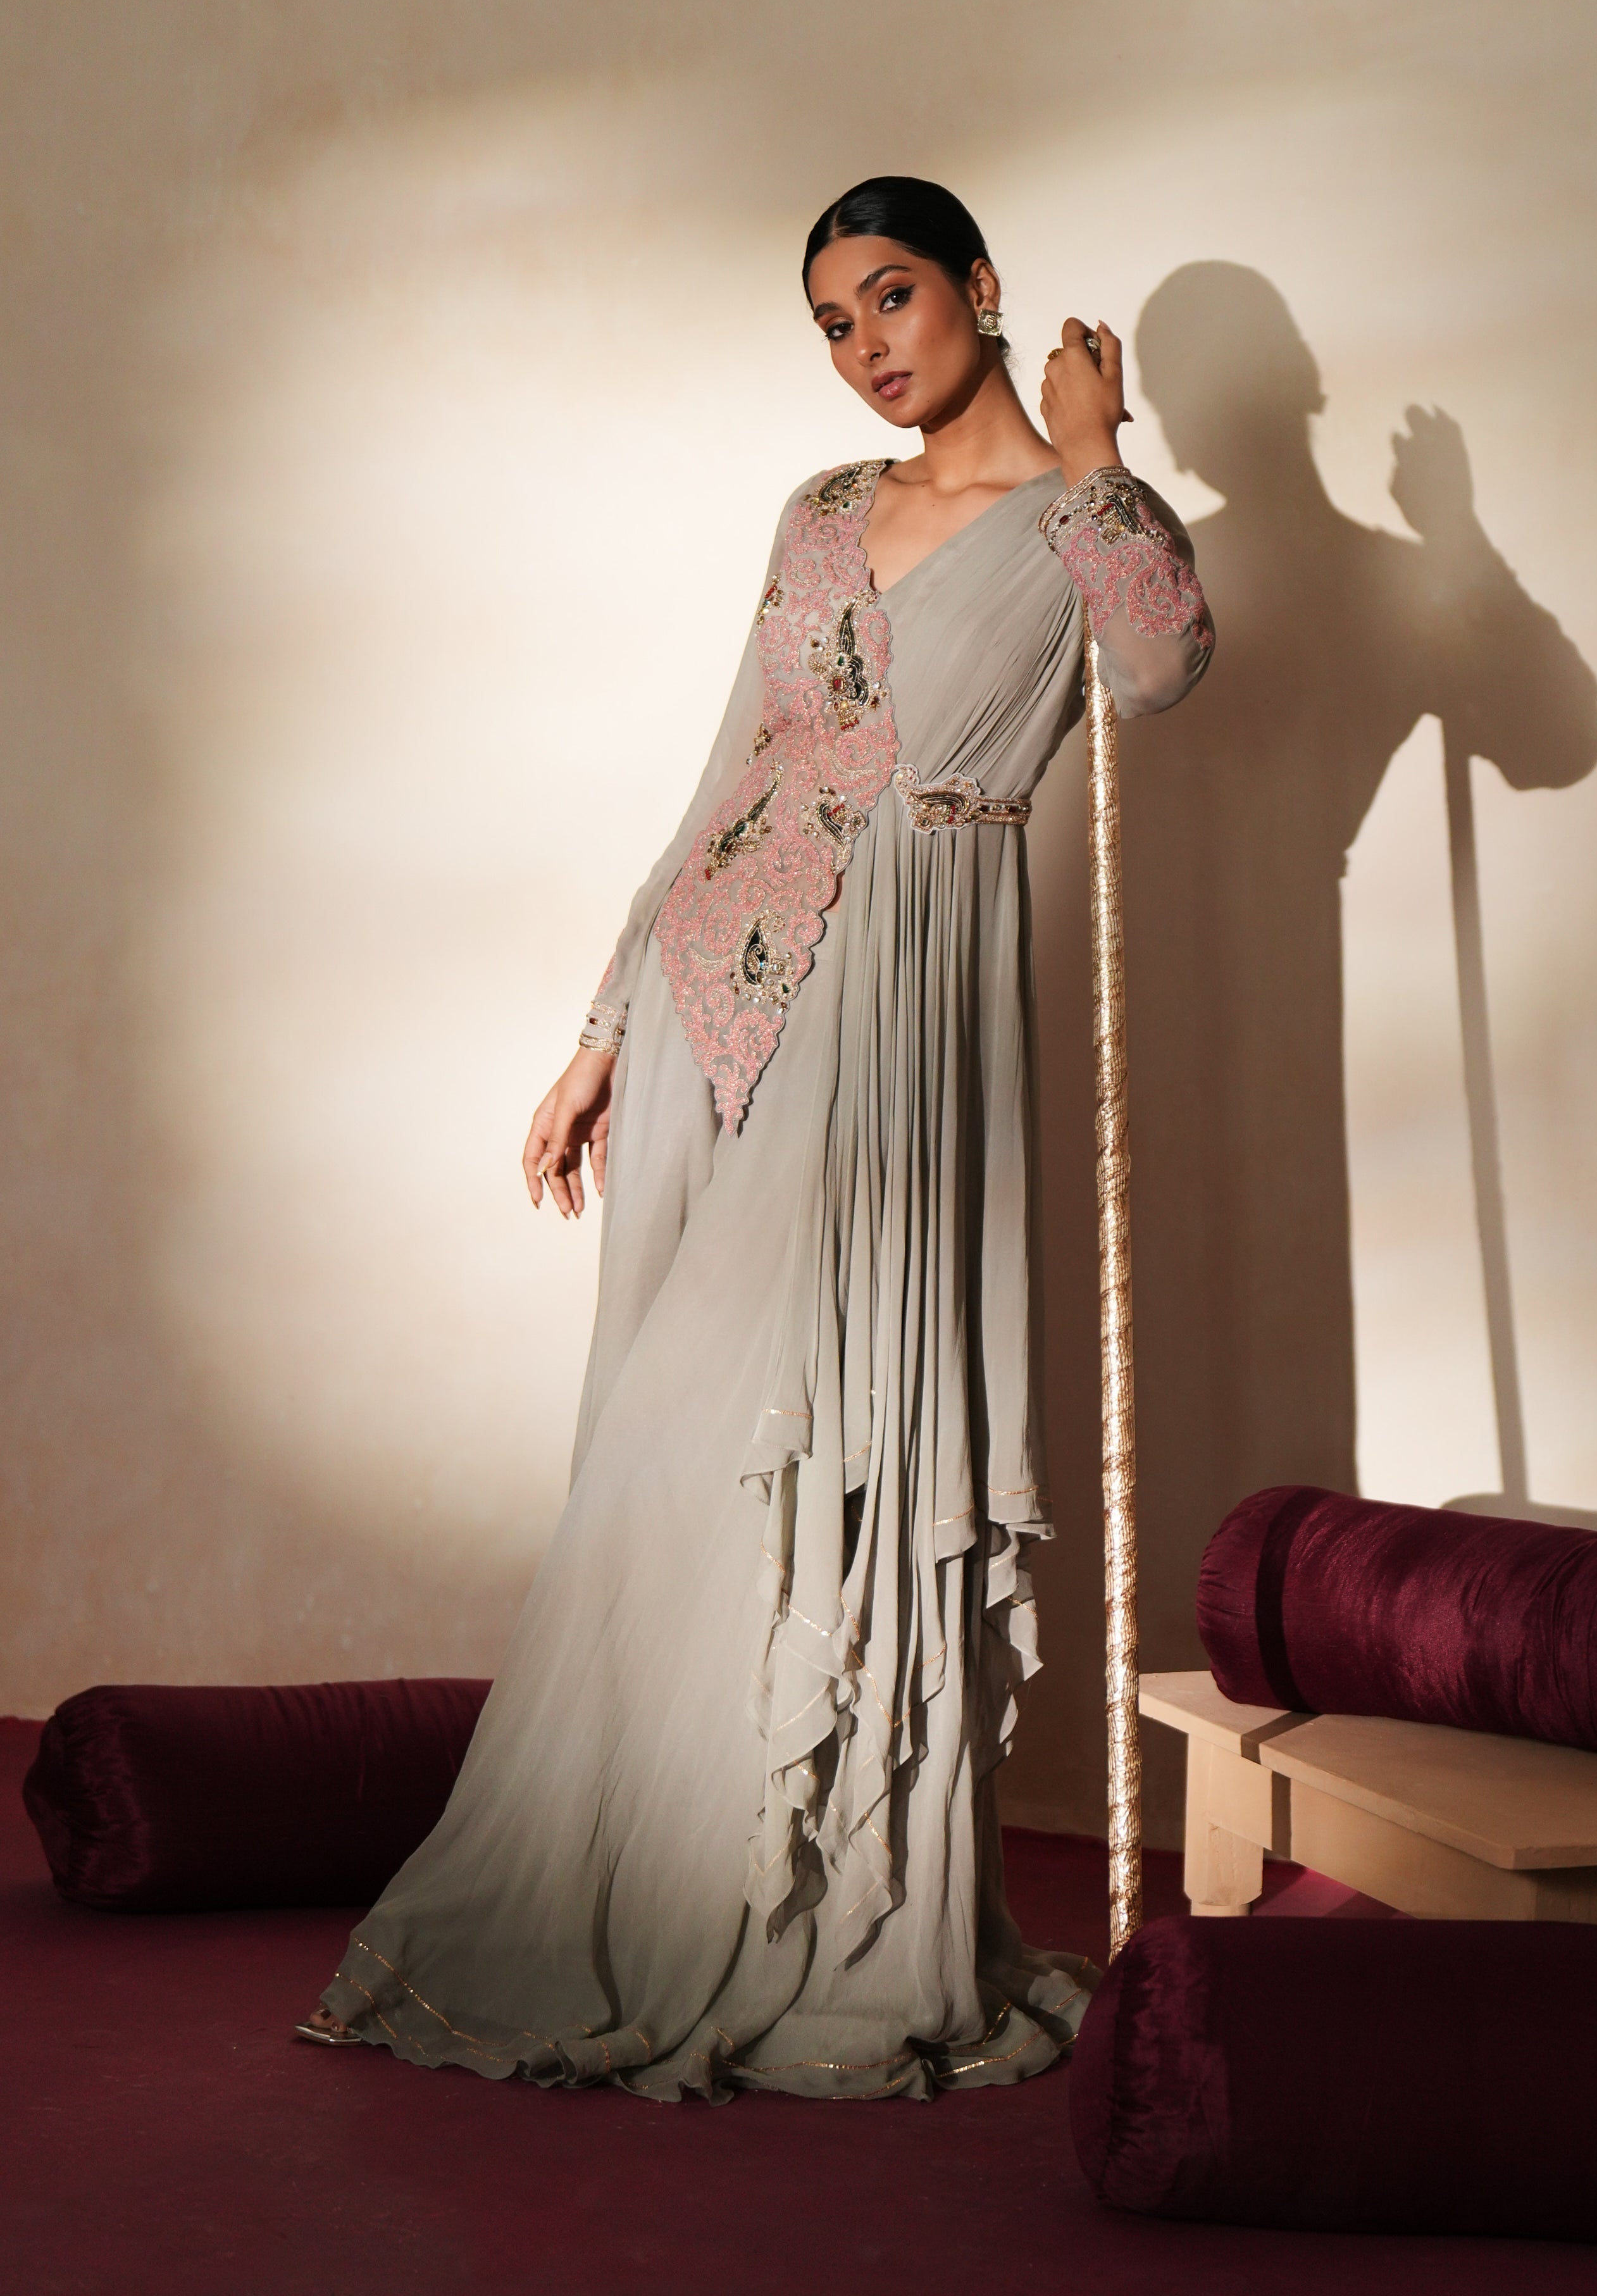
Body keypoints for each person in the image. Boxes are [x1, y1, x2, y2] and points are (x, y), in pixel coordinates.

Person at [296, 177, 1213, 2101]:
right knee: (669, 1435)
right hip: (721, 996)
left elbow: (1163, 668)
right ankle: (654, 1876)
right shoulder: (814, 518)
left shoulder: (1080, 526)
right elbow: (733, 776)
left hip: (906, 1017)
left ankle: (824, 1903)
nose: (867, 342)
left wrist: (1098, 451)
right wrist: (600, 1030)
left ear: (979, 287)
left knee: (836, 1435)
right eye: (830, 319)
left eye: (893, 295)